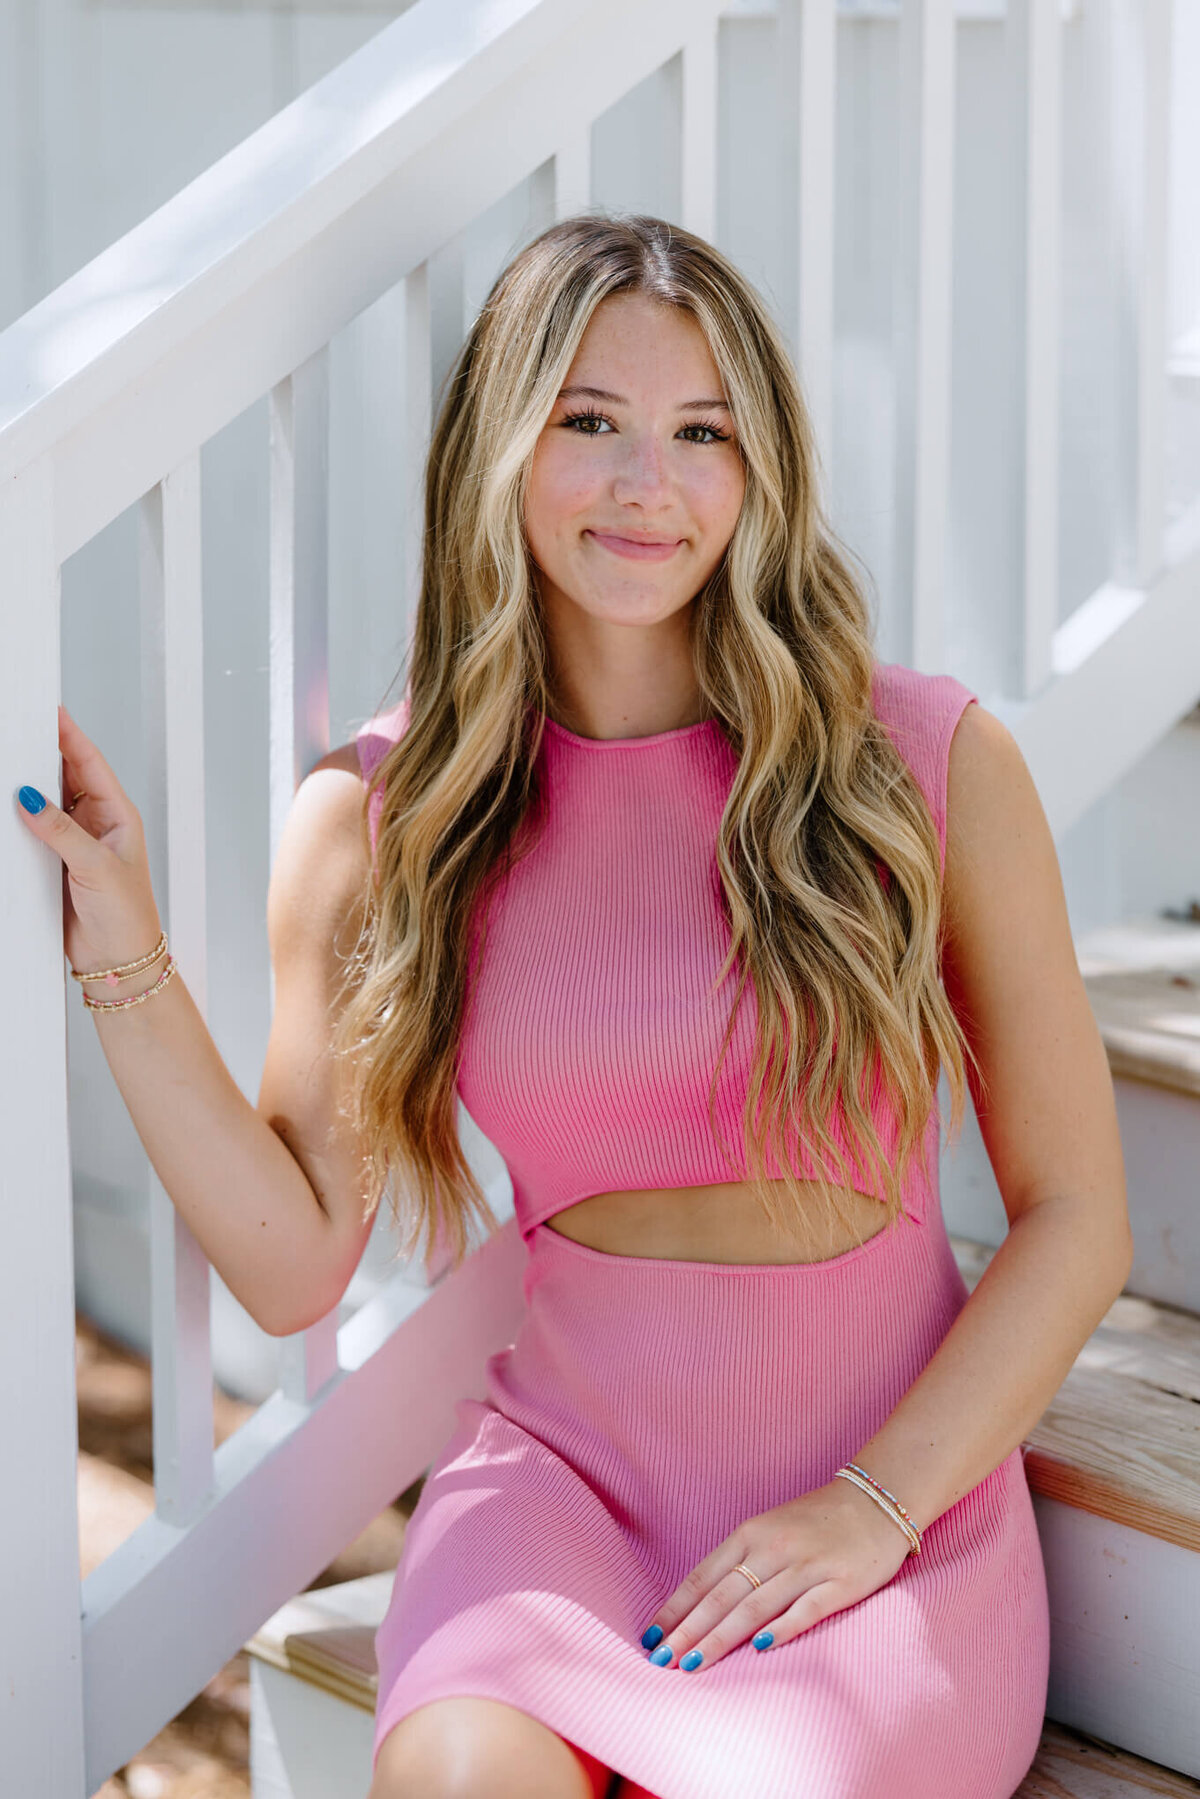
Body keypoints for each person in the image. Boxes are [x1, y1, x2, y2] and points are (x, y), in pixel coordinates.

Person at [16, 214, 1132, 1799]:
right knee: (461, 1776)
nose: (644, 485)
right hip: (566, 1480)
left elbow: (1080, 1216)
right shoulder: (386, 814)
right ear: (502, 449)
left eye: (701, 435)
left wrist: (872, 1506)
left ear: (762, 474)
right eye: (588, 424)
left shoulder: (922, 766)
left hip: (882, 1490)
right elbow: (288, 1262)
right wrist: (117, 946)